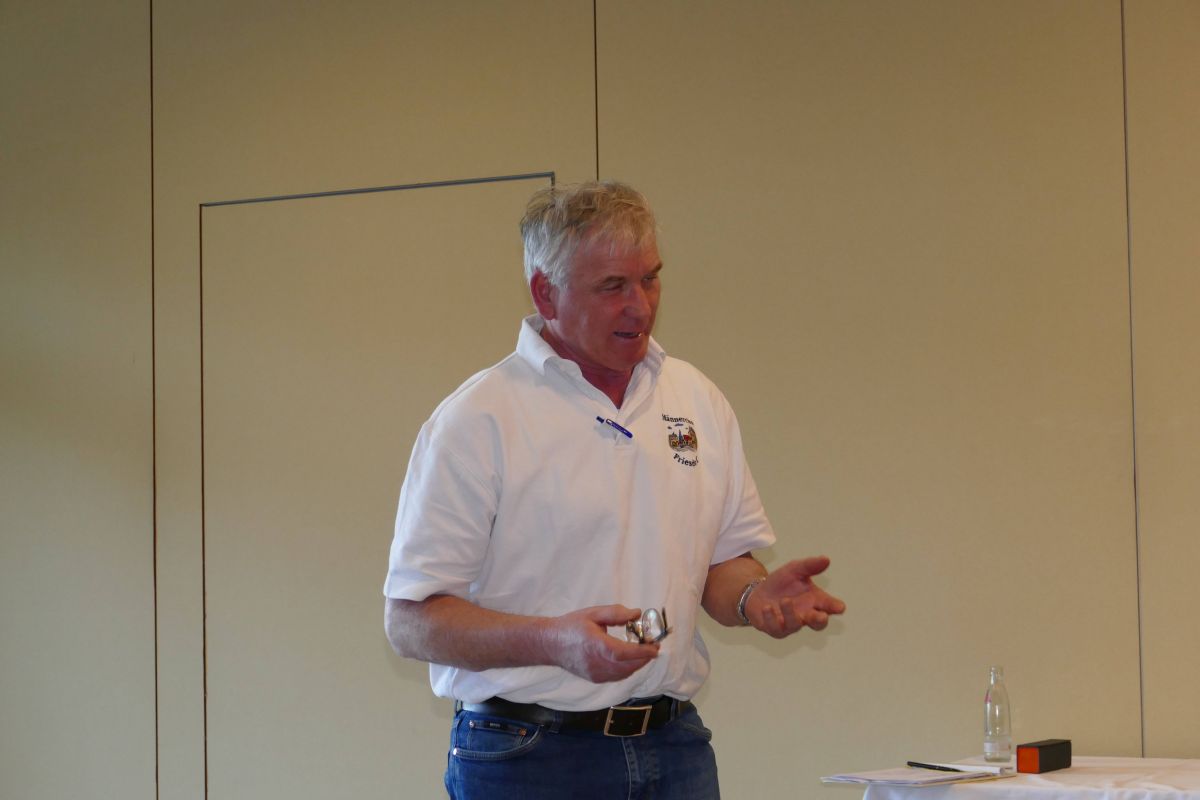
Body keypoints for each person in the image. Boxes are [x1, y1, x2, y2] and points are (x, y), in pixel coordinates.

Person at [383, 180, 846, 799]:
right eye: (612, 287)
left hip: (674, 746)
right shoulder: (479, 419)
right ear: (546, 293)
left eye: (650, 279)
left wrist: (754, 598)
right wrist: (553, 642)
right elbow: (410, 622)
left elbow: (720, 565)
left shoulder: (696, 398)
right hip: (529, 755)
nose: (640, 306)